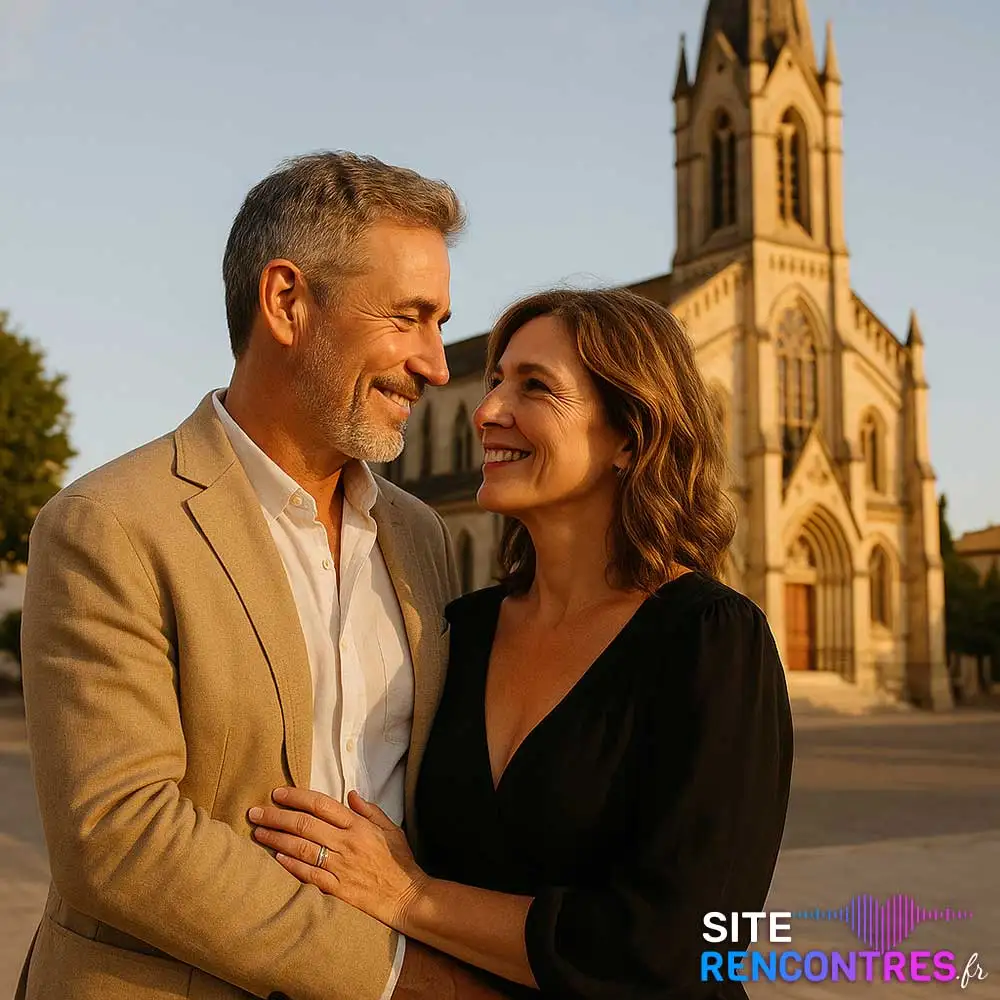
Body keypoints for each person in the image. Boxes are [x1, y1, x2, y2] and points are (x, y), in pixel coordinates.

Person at [17, 152, 510, 1000]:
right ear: (287, 302)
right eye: (408, 318)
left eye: (442, 323)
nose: (437, 365)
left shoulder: (418, 534)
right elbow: (120, 838)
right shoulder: (109, 523)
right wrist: (408, 980)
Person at [250, 288, 795, 998]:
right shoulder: (457, 630)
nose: (485, 411)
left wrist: (414, 897)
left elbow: (682, 943)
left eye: (534, 387)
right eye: (498, 379)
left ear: (630, 434)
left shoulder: (711, 641)